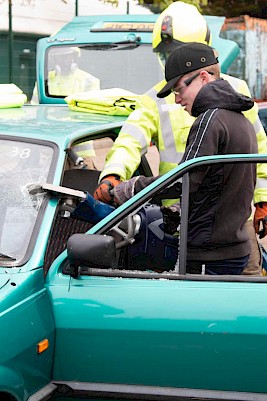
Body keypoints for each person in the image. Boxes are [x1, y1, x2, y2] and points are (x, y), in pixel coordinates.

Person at [93, 1, 267, 275]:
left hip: (212, 233)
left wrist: (263, 200)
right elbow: (129, 140)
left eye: (178, 53)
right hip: (183, 220)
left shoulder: (228, 102)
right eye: (165, 55)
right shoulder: (157, 98)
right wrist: (113, 174)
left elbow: (256, 153)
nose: (176, 94)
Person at [156, 42, 257, 274]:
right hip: (233, 249)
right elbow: (217, 187)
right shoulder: (239, 119)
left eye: (178, 90)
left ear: (203, 77)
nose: (177, 99)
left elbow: (183, 180)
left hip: (209, 254)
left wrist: (129, 190)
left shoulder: (209, 120)